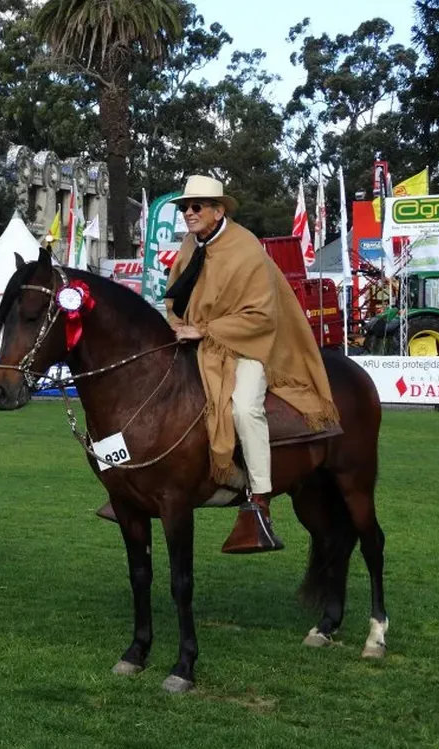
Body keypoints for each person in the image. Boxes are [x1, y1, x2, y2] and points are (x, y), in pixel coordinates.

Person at [96, 176, 339, 552]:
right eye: (184, 208)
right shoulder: (192, 244)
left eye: (196, 207)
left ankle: (258, 500)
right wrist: (177, 325)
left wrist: (203, 330)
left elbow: (261, 316)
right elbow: (178, 296)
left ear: (218, 209)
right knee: (152, 398)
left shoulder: (246, 250)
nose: (188, 214)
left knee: (243, 408)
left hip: (252, 347)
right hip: (202, 343)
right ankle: (132, 485)